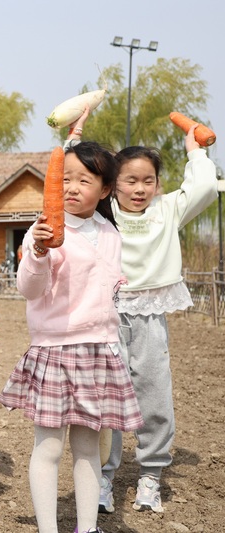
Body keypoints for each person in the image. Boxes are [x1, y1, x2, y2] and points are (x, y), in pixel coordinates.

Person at [0, 141, 144, 533]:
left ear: (105, 189)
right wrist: (38, 252)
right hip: (55, 350)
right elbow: (29, 289)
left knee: (87, 449)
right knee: (48, 447)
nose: (72, 187)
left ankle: (87, 527)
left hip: (98, 352)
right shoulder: (42, 230)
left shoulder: (109, 232)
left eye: (84, 180)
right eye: (65, 179)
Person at [92, 123, 217, 513]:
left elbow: (205, 187)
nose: (140, 189)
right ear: (113, 185)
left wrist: (194, 150)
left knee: (154, 393)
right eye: (130, 181)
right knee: (107, 395)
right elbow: (75, 184)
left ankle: (151, 474)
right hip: (107, 315)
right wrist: (73, 141)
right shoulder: (105, 212)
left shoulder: (168, 210)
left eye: (148, 180)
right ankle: (102, 476)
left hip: (149, 317)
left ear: (158, 185)